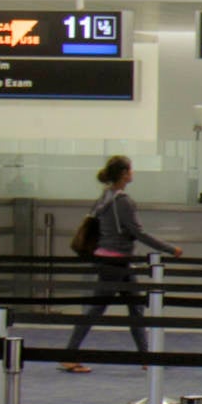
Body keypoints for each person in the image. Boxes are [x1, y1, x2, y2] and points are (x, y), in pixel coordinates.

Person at [62, 154, 184, 372]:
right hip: (117, 261)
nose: (132, 173)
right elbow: (138, 232)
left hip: (113, 259)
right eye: (130, 170)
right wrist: (169, 249)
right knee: (96, 309)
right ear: (123, 174)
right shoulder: (123, 202)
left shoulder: (105, 197)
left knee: (135, 308)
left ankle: (146, 358)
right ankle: (69, 355)